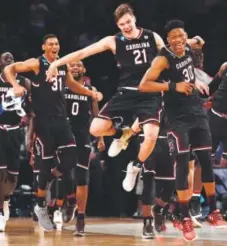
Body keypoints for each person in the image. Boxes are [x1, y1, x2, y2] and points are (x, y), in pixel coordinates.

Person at [46, 3, 203, 203]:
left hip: (149, 92)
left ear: (134, 19)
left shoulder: (151, 36)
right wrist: (56, 63)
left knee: (152, 135)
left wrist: (191, 41)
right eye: (122, 24)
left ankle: (134, 166)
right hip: (126, 93)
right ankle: (123, 134)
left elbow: (172, 51)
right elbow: (82, 53)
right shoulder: (113, 41)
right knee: (95, 128)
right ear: (118, 25)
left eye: (128, 22)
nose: (126, 27)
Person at [138, 19, 227, 241]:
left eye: (181, 35)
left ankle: (213, 212)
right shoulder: (162, 59)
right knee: (182, 162)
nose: (178, 40)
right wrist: (172, 86)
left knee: (206, 159)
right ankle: (184, 216)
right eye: (174, 37)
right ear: (167, 40)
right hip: (176, 118)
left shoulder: (186, 45)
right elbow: (144, 84)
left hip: (196, 111)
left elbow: (198, 42)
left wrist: (194, 41)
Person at [4, 34, 102, 232]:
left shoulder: (62, 65)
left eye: (57, 43)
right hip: (43, 123)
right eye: (50, 44)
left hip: (61, 121)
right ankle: (41, 205)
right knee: (46, 163)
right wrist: (15, 85)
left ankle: (49, 181)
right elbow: (9, 68)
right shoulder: (36, 64)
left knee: (72, 157)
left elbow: (72, 85)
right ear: (43, 47)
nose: (54, 46)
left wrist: (90, 93)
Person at [64, 61, 105, 236]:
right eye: (71, 65)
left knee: (82, 177)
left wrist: (100, 137)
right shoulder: (63, 88)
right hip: (64, 134)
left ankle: (81, 218)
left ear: (84, 70)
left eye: (78, 65)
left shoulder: (91, 90)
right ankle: (69, 198)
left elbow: (96, 115)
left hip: (83, 136)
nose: (75, 68)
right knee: (63, 171)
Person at [0, 52, 31, 232]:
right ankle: (0, 213)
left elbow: (32, 111)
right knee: (0, 172)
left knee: (12, 177)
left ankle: (6, 200)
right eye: (5, 58)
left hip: (16, 131)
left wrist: (28, 125)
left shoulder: (25, 82)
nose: (9, 60)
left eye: (12, 58)